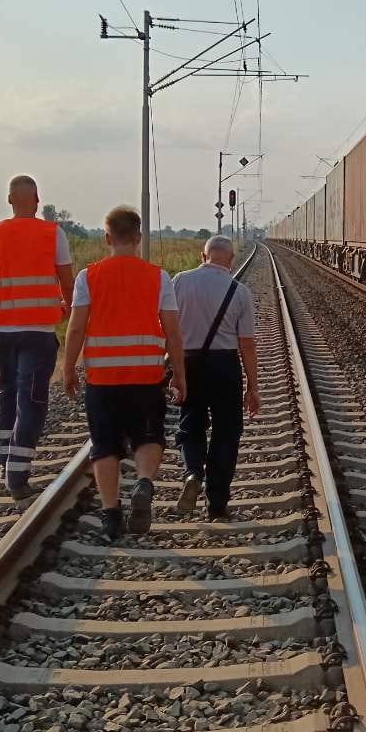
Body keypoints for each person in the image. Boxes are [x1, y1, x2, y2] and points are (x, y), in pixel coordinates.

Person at [62, 205, 185, 542]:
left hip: (103, 380)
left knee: (105, 446)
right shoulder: (158, 277)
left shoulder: (88, 277)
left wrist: (69, 367)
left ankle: (111, 515)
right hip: (145, 377)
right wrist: (180, 375)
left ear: (107, 238)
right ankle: (144, 481)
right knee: (148, 436)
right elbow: (173, 332)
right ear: (138, 237)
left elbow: (76, 329)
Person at [0, 175, 74, 500]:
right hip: (38, 330)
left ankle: (4, 454)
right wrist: (70, 309)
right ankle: (16, 473)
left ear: (9, 200)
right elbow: (67, 282)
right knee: (31, 399)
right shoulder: (52, 234)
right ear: (38, 200)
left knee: (7, 391)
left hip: (0, 330)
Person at [172, 236, 261, 520]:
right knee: (226, 433)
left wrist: (173, 369)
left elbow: (167, 329)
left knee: (191, 424)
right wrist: (253, 387)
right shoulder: (240, 291)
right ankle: (217, 504)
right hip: (225, 366)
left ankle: (193, 472)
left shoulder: (179, 282)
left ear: (203, 255)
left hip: (189, 362)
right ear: (232, 260)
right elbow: (246, 344)